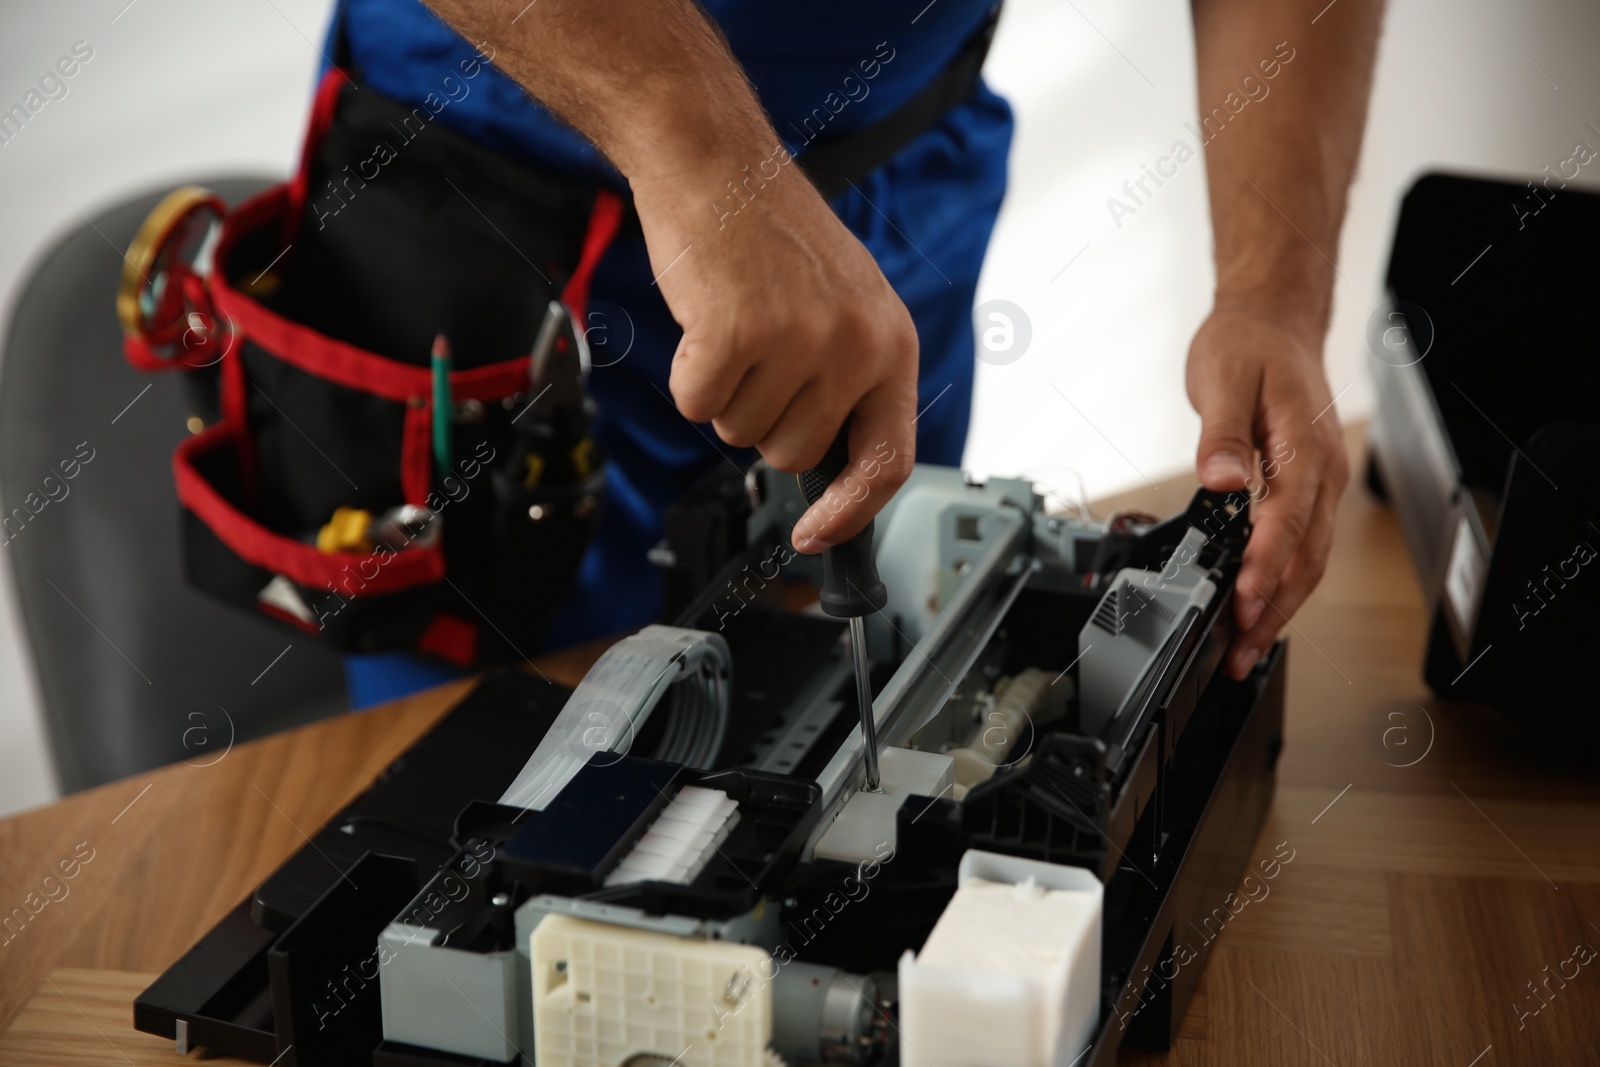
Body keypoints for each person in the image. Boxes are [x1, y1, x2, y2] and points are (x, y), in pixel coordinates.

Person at [332, 0, 1378, 704]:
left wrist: (1273, 297)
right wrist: (689, 139)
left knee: (878, 671)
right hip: (503, 207)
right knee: (491, 788)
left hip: (901, 187)